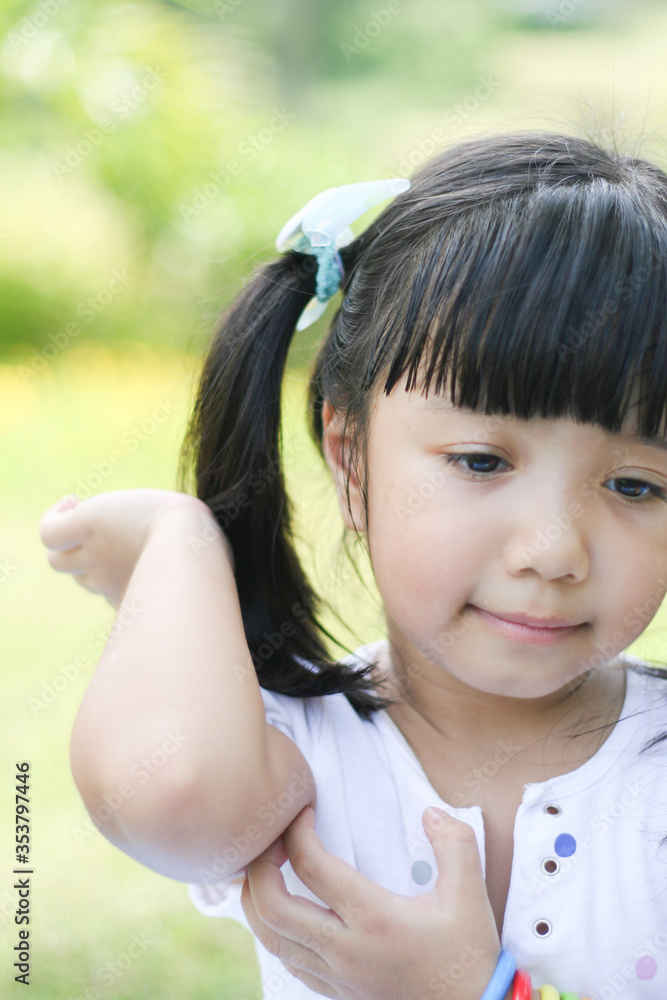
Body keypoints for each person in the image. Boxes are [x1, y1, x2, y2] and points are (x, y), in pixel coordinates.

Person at [39, 130, 667, 1000]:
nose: (554, 551)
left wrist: (473, 989)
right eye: (480, 461)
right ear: (350, 460)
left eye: (635, 485)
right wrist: (178, 547)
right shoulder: (291, 755)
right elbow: (172, 797)